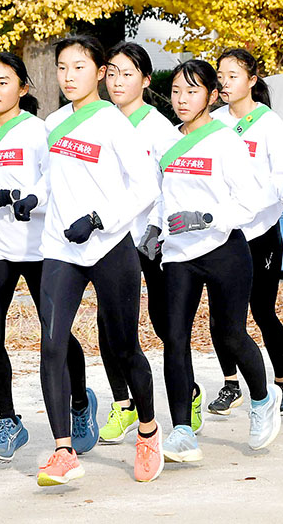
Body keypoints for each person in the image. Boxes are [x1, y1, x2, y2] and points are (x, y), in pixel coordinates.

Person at [36, 35, 163, 486]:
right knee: (51, 344)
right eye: (62, 68)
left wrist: (99, 219)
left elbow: (146, 186)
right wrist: (33, 197)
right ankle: (63, 451)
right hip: (60, 249)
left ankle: (148, 431)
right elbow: (49, 182)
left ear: (100, 73)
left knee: (124, 347)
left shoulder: (112, 123)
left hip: (109, 248)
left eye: (79, 67)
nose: (69, 76)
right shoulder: (51, 123)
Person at [0, 52, 88, 461]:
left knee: (55, 334)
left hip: (41, 246)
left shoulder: (39, 131)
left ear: (23, 87)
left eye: (3, 81)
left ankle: (80, 404)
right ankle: (10, 419)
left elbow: (52, 187)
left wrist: (16, 198)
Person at [156, 59, 282, 463]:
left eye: (192, 91)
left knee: (230, 334)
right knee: (174, 339)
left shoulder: (225, 140)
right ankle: (181, 431)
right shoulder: (166, 141)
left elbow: (251, 199)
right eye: (176, 91)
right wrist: (154, 231)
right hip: (178, 256)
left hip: (224, 249)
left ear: (211, 96)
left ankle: (262, 400)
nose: (181, 99)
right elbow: (161, 195)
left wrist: (207, 218)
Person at [96, 41, 188, 443]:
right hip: (108, 239)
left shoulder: (159, 129)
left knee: (163, 324)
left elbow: (170, 184)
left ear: (146, 80)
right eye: (112, 73)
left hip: (150, 241)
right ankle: (124, 403)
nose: (117, 81)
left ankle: (189, 393)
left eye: (128, 74)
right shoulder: (96, 120)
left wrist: (155, 230)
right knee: (109, 325)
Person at [209, 48, 283, 416]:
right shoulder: (212, 122)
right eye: (221, 75)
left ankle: (282, 381)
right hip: (222, 234)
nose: (225, 82)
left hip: (260, 232)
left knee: (262, 311)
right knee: (220, 316)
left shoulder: (269, 124)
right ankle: (231, 383)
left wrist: (251, 205)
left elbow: (281, 177)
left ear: (252, 79)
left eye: (232, 75)